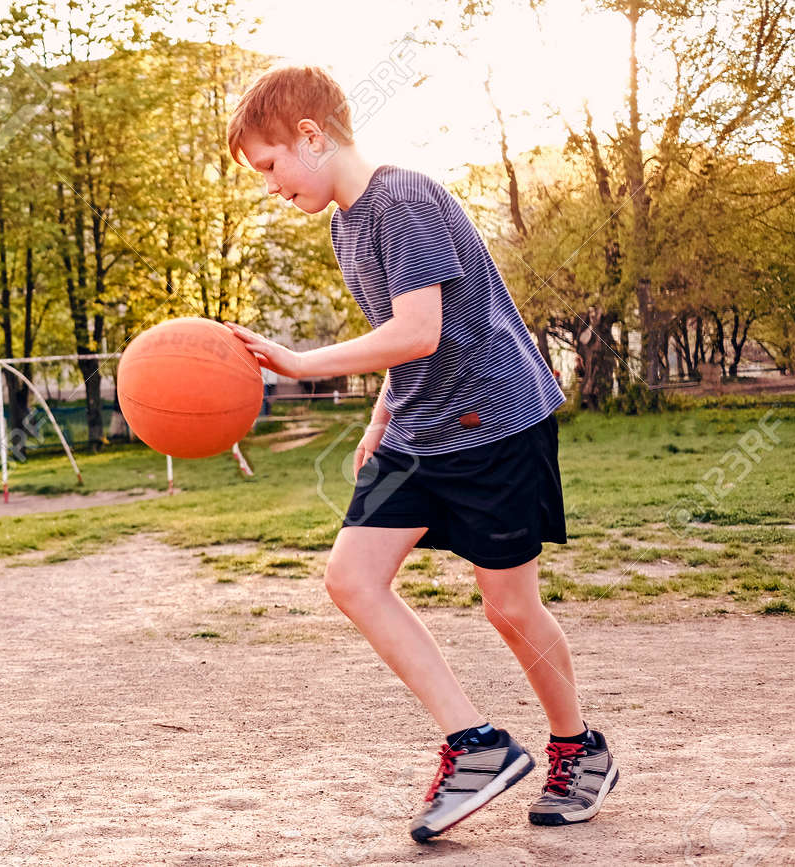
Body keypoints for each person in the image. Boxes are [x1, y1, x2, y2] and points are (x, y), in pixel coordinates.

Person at [223, 65, 617, 842]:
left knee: (508, 606)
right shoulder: (345, 224)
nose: (270, 187)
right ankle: (475, 743)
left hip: (495, 422)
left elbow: (421, 330)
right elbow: (406, 342)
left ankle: (578, 749)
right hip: (417, 429)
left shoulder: (403, 199)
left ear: (310, 135)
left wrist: (299, 363)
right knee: (352, 577)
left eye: (270, 166)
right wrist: (383, 412)